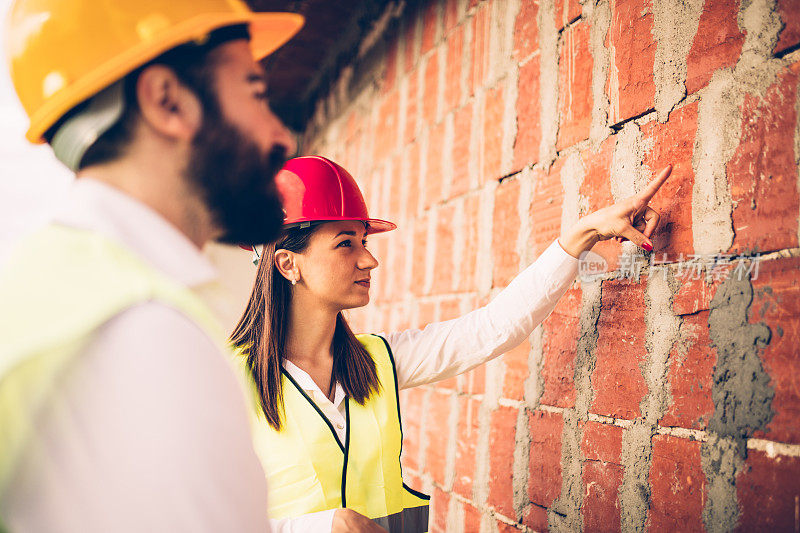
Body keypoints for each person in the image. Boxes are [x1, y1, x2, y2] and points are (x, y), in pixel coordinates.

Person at [231, 155, 673, 532]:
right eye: (345, 243)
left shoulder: (378, 361)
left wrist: (584, 233)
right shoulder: (224, 378)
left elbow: (494, 328)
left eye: (363, 240)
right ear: (289, 263)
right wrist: (323, 526)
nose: (370, 258)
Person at [0, 1, 304, 531]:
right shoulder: (144, 328)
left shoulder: (58, 286)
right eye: (256, 92)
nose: (282, 135)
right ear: (168, 102)